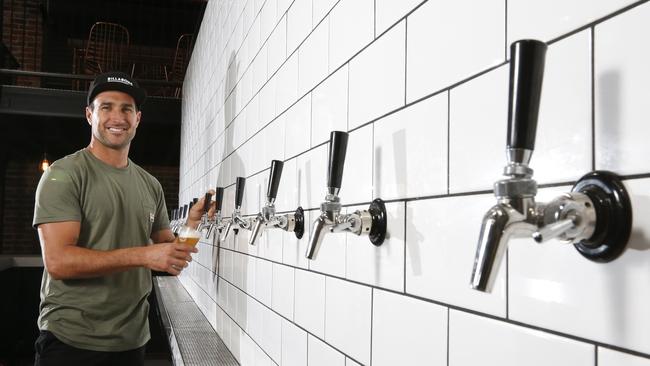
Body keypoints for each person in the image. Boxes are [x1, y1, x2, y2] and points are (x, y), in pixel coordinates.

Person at [32, 71, 214, 366]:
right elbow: (59, 262)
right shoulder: (63, 175)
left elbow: (171, 258)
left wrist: (193, 223)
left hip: (131, 341)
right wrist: (144, 255)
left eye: (126, 109)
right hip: (71, 341)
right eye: (107, 107)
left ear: (138, 119)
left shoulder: (149, 184)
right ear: (89, 115)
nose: (118, 117)